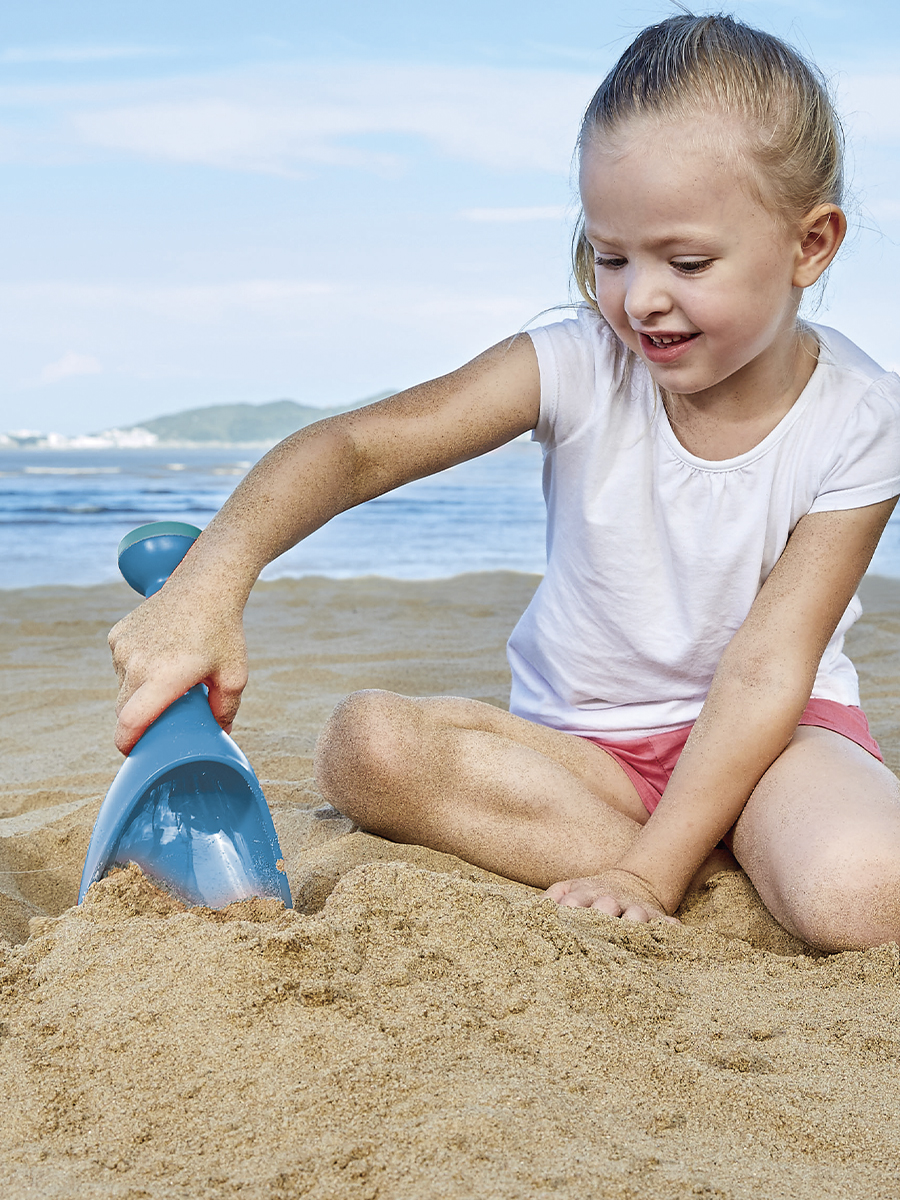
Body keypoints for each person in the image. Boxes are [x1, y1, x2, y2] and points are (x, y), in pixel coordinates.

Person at [108, 13, 900, 952]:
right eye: (611, 256)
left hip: (778, 741)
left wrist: (645, 873)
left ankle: (687, 854)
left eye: (686, 262)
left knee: (867, 898)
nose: (640, 297)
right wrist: (210, 580)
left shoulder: (860, 415)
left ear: (812, 244)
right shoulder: (576, 360)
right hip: (586, 756)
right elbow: (358, 448)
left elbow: (770, 666)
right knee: (365, 748)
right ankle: (713, 858)